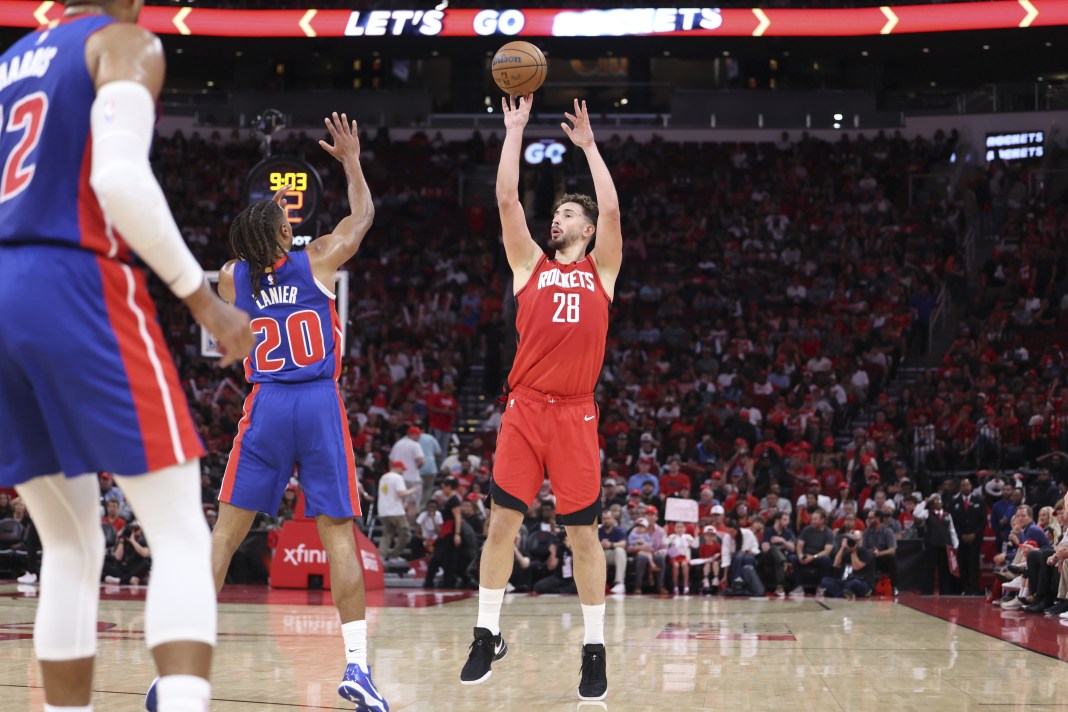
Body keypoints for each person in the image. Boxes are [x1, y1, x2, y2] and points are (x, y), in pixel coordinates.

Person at [0, 1, 254, 710]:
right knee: (176, 530)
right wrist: (202, 299)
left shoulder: (7, 66)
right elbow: (117, 178)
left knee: (70, 544)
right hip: (72, 279)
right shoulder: (122, 42)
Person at [211, 112, 386, 710]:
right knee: (339, 536)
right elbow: (361, 218)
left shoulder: (235, 278)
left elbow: (241, 267)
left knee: (224, 540)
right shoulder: (318, 263)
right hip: (315, 402)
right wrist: (351, 162)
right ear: (282, 237)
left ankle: (182, 667)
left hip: (264, 405)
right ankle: (357, 669)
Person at [461, 94, 622, 702]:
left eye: (568, 214)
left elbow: (610, 206)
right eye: (555, 212)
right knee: (501, 524)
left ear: (586, 228)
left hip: (576, 413)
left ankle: (593, 647)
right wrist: (515, 131)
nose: (559, 219)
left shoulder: (602, 269)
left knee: (583, 536)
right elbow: (506, 200)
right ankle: (485, 632)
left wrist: (588, 148)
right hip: (525, 408)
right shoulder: (529, 265)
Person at [377, 461, 420, 566]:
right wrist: (412, 490)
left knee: (387, 534)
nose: (403, 471)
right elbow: (401, 493)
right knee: (405, 533)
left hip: (383, 511)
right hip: (395, 511)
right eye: (402, 469)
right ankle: (394, 555)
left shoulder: (383, 477)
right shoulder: (397, 478)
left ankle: (381, 556)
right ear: (398, 468)